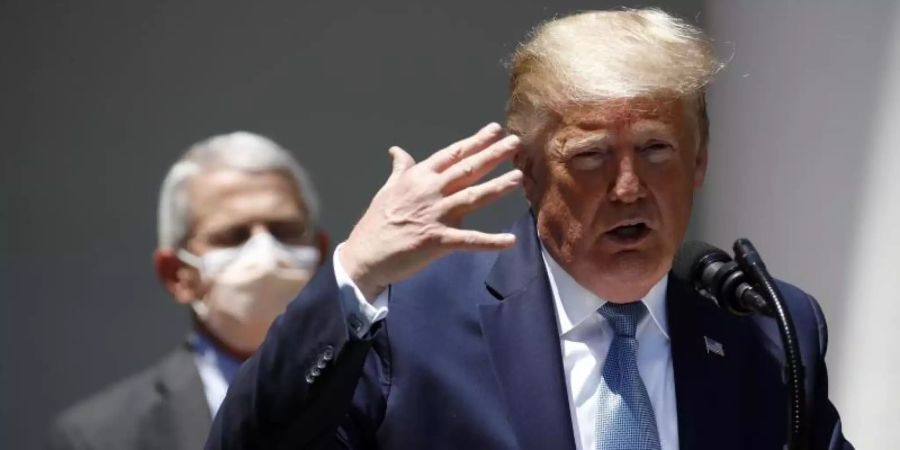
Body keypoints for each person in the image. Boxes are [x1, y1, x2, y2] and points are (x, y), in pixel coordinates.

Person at [207, 9, 852, 450]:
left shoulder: (765, 327)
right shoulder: (410, 319)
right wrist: (359, 272)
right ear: (530, 171)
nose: (628, 187)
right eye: (592, 156)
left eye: (657, 150)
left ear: (701, 161)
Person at [48, 132, 328, 450]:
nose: (266, 252)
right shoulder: (100, 437)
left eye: (285, 232)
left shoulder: (385, 397)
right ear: (177, 275)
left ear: (320, 255)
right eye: (233, 236)